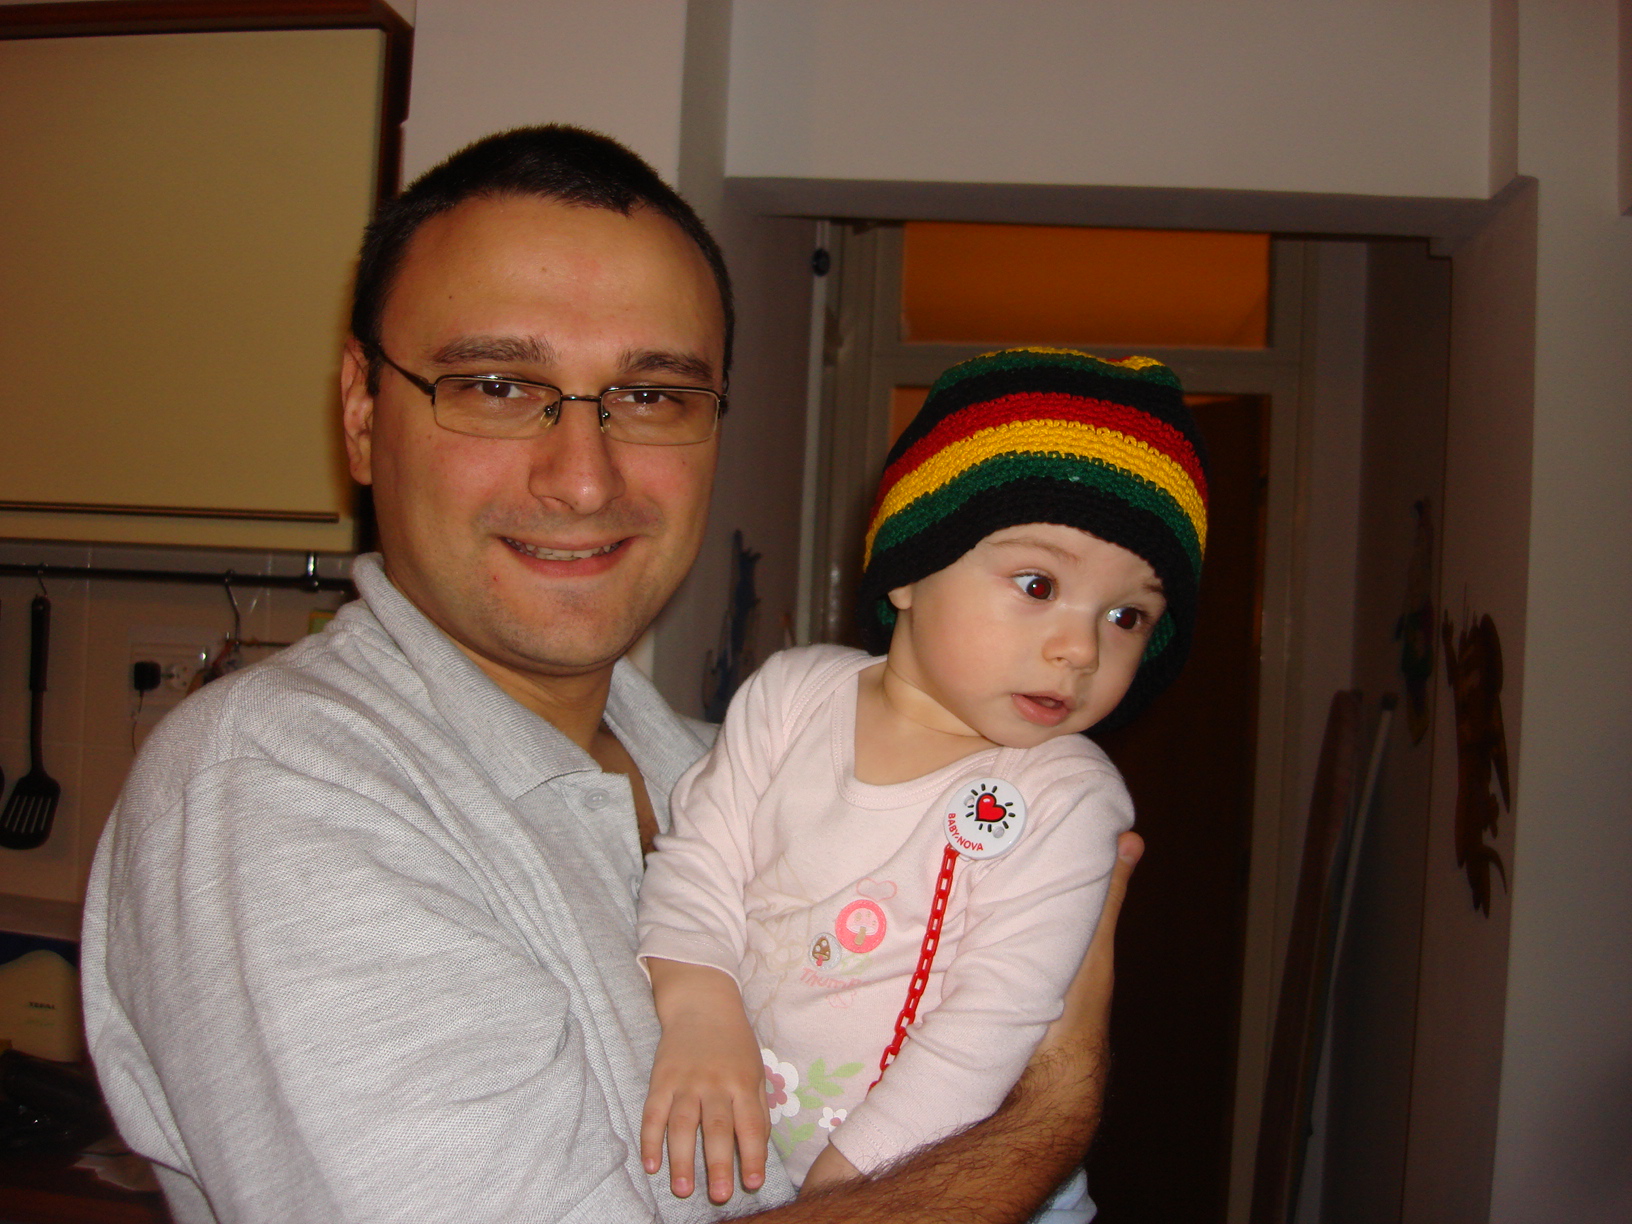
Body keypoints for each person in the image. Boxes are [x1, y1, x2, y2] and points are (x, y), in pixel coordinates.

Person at [80, 125, 1138, 1224]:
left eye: (652, 397)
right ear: (361, 410)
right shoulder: (281, 787)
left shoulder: (723, 764)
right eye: (496, 384)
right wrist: (1042, 1114)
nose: (583, 480)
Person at [637, 349, 1207, 1213]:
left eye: (1128, 615)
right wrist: (698, 1007)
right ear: (909, 567)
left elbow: (994, 1024)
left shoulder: (1068, 797)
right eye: (1038, 584)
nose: (1081, 648)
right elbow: (698, 863)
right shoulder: (790, 699)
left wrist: (843, 1198)